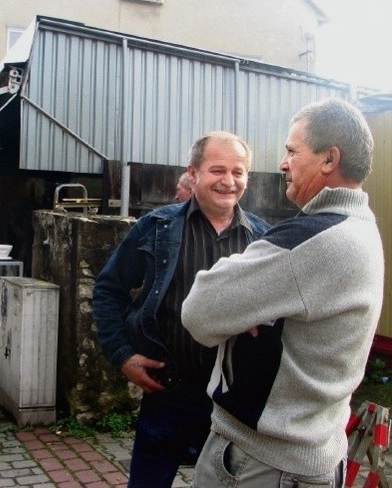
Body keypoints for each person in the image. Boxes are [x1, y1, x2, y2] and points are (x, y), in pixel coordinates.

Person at [181, 98, 384, 488]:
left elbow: (200, 308)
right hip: (308, 454)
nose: (283, 162)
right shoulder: (360, 227)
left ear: (329, 159)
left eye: (292, 150)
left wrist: (244, 313)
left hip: (263, 465)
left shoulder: (313, 241)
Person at [92, 131, 270, 487]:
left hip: (232, 405)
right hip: (168, 393)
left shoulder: (263, 242)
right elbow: (108, 290)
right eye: (217, 170)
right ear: (193, 173)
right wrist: (122, 355)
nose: (228, 181)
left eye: (238, 172)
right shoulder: (155, 228)